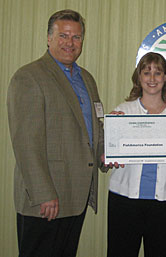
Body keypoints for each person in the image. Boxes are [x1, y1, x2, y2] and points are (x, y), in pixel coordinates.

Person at [7, 9, 107, 257]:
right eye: (63, 36)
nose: (70, 43)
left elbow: (95, 126)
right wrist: (44, 194)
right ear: (49, 38)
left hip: (77, 195)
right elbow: (26, 143)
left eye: (76, 37)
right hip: (47, 199)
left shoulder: (87, 79)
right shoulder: (29, 77)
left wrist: (106, 154)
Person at [107, 52, 166, 257]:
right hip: (124, 199)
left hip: (165, 201)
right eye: (147, 73)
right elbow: (108, 152)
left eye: (158, 73)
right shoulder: (123, 111)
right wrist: (111, 144)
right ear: (139, 77)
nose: (152, 78)